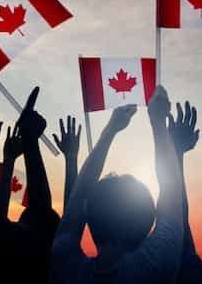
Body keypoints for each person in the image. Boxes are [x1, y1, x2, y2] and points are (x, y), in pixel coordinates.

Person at [50, 85, 184, 283]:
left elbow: (77, 200)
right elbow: (172, 191)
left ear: (89, 216)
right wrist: (158, 121)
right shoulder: (156, 267)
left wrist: (110, 129)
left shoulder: (66, 269)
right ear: (149, 219)